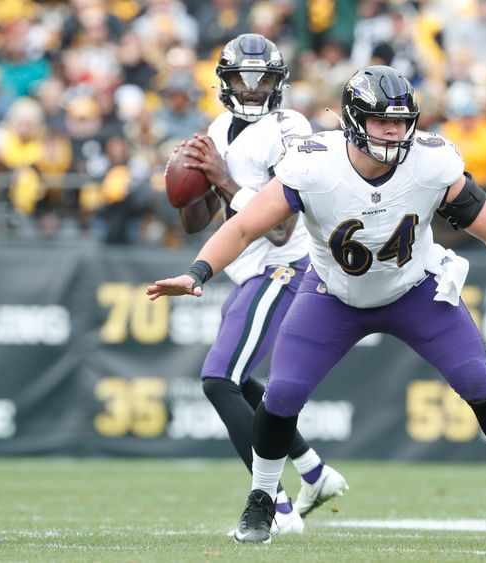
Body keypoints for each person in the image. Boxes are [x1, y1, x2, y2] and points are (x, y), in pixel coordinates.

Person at [149, 65, 486, 545]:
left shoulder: (433, 161)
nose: (393, 131)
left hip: (413, 290)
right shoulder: (313, 163)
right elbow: (243, 227)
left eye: (401, 121)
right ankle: (260, 502)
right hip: (332, 295)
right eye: (382, 120)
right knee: (281, 396)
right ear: (355, 120)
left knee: (478, 382)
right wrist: (197, 273)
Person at [171, 33, 348, 540]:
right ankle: (314, 471)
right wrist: (189, 181)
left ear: (279, 83)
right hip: (250, 271)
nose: (251, 90)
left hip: (285, 266)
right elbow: (197, 222)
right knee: (243, 381)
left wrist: (223, 177)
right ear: (224, 83)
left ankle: (274, 503)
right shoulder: (218, 128)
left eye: (262, 79)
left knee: (218, 379)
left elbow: (281, 226)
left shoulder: (289, 126)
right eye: (241, 80)